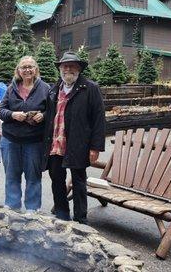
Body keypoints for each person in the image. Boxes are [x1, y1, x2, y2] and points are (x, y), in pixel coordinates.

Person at [43, 51, 105, 224]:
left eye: (72, 66)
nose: (68, 69)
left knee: (78, 182)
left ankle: (80, 219)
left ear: (78, 68)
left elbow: (99, 118)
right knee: (57, 179)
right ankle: (62, 214)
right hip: (56, 143)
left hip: (78, 144)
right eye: (65, 66)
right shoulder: (54, 89)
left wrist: (96, 147)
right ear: (60, 69)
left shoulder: (90, 88)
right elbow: (49, 114)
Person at [0, 56, 50, 213]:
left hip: (34, 141)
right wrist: (13, 115)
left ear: (35, 69)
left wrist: (44, 115)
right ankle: (13, 206)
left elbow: (54, 111)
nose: (27, 70)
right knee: (12, 174)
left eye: (30, 67)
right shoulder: (11, 88)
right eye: (24, 67)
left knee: (33, 175)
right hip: (10, 139)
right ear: (18, 70)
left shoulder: (45, 88)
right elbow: (1, 110)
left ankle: (32, 208)